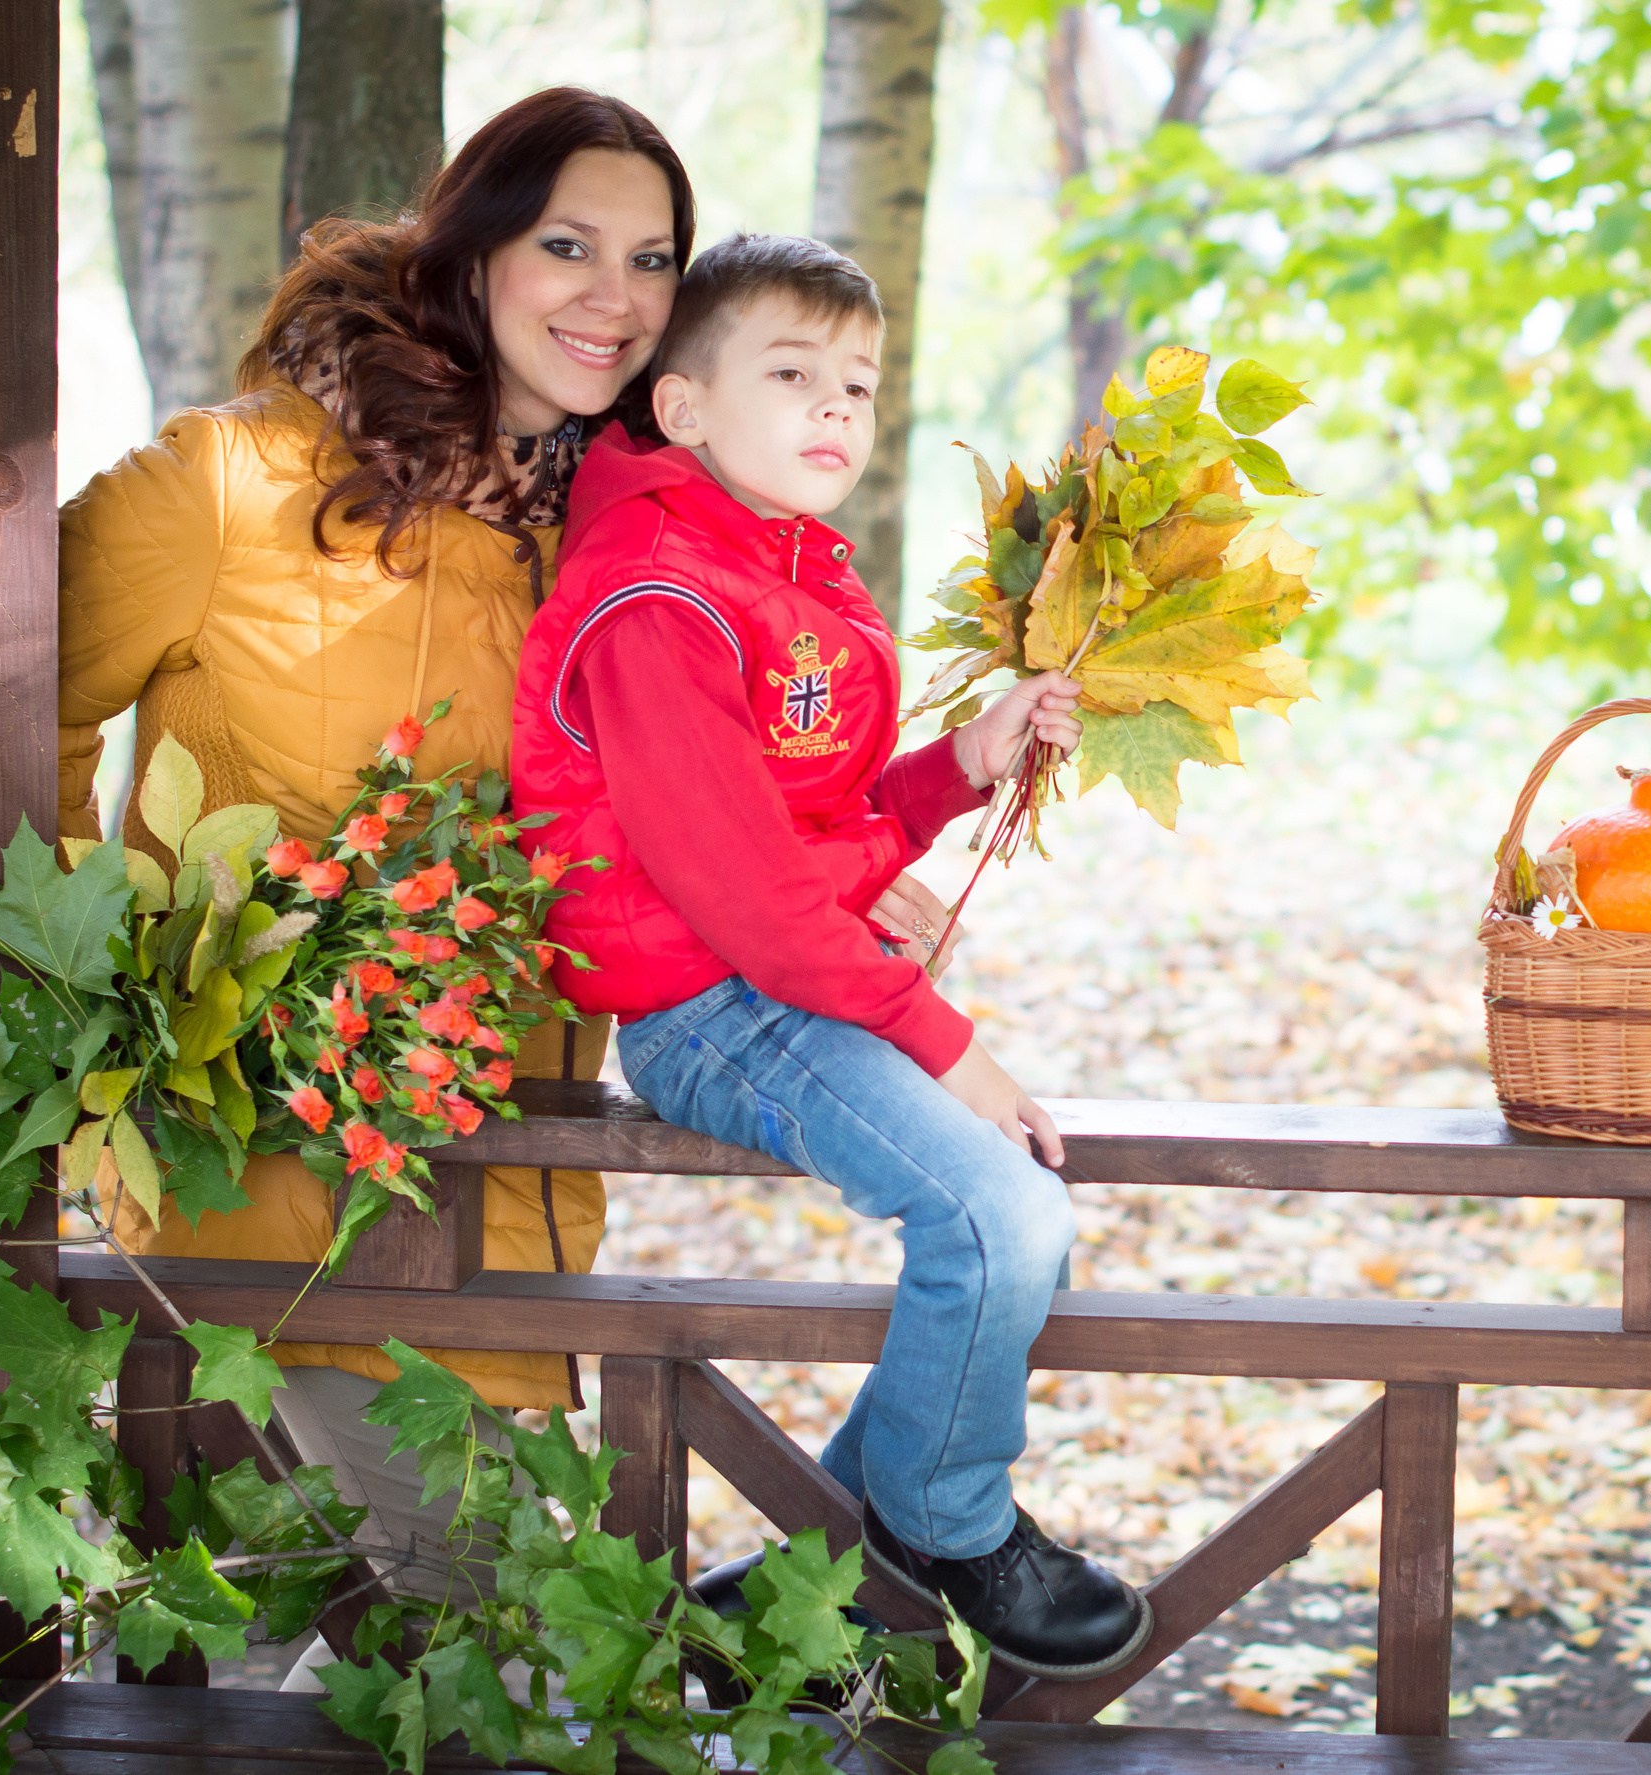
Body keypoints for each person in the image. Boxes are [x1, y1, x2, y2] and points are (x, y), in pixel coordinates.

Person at [56, 88, 718, 1664]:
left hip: (495, 1219)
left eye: (652, 259)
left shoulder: (619, 557)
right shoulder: (228, 489)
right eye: (568, 244)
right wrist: (126, 978)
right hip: (252, 1227)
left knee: (291, 1694)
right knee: (487, 1660)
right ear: (472, 249)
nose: (613, 298)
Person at [508, 233, 1147, 1680]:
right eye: (790, 375)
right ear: (681, 409)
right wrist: (944, 1040)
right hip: (705, 1005)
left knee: (1012, 1208)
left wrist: (959, 768)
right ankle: (945, 1521)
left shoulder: (783, 571)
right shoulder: (660, 596)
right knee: (999, 1216)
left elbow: (809, 829)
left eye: (856, 386)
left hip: (765, 979)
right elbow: (740, 892)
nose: (832, 413)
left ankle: (828, 1566)